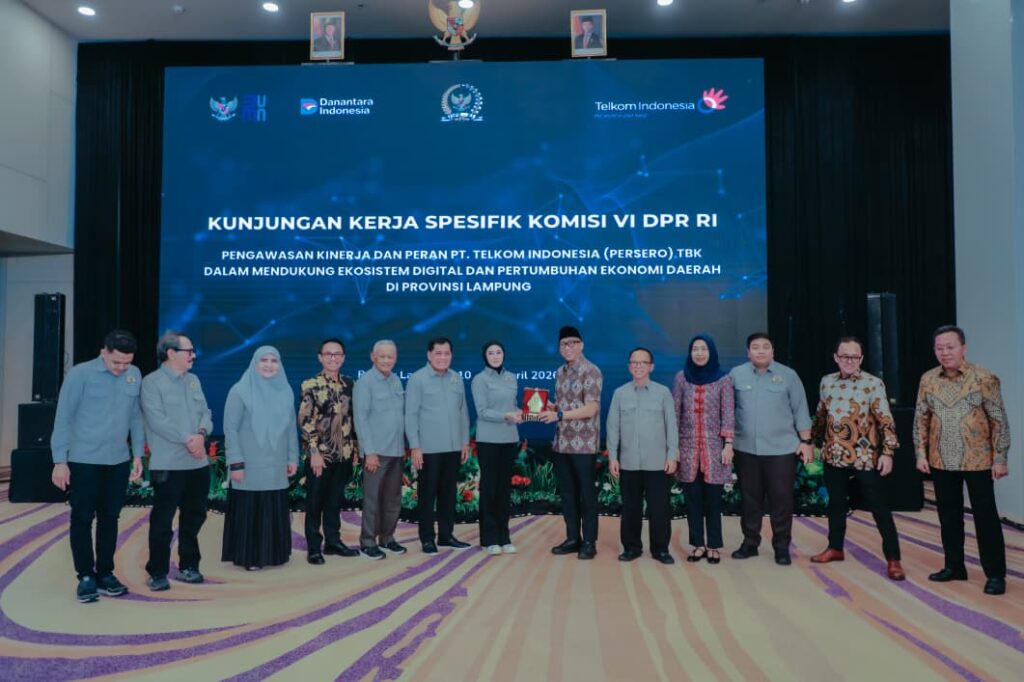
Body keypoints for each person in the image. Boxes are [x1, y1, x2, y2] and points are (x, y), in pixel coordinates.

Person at [914, 325, 1010, 595]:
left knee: (985, 517)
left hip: (978, 460)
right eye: (939, 348)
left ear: (963, 348)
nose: (945, 353)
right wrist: (920, 453)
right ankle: (954, 566)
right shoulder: (928, 379)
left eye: (950, 347)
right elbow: (921, 419)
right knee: (948, 516)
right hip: (940, 459)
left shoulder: (984, 377)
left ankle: (995, 575)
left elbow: (999, 420)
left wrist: (1000, 458)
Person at [50, 329, 145, 603]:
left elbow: (136, 416)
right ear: (104, 352)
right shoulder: (80, 374)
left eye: (127, 362)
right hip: (84, 460)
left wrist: (138, 454)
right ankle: (85, 576)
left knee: (110, 517)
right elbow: (63, 417)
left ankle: (105, 573)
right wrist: (60, 461)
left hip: (117, 460)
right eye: (117, 362)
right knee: (82, 518)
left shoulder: (134, 374)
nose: (122, 368)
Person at [810, 336, 904, 580]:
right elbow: (821, 415)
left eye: (854, 357)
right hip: (834, 453)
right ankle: (835, 547)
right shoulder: (826, 381)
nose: (849, 361)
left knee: (879, 506)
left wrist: (888, 453)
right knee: (836, 504)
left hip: (865, 455)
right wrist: (811, 441)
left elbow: (886, 420)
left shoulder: (873, 384)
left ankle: (893, 559)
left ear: (861, 358)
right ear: (836, 357)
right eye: (844, 356)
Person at [729, 333, 813, 565]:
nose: (761, 350)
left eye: (766, 346)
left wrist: (806, 442)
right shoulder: (736, 374)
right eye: (755, 347)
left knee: (781, 499)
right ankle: (750, 543)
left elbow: (800, 409)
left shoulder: (788, 375)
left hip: (781, 450)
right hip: (746, 449)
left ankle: (781, 546)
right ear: (748, 352)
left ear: (773, 351)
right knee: (750, 499)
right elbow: (727, 409)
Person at [141, 330, 214, 591]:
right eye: (189, 351)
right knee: (163, 520)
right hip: (168, 464)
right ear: (171, 353)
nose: (193, 355)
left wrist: (201, 435)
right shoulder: (152, 383)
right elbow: (157, 421)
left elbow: (206, 412)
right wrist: (188, 440)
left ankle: (189, 565)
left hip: (197, 463)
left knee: (194, 516)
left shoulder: (193, 380)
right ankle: (157, 571)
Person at [221, 346, 299, 570]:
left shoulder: (285, 391)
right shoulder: (240, 391)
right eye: (264, 360)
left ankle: (273, 554)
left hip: (276, 464)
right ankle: (250, 557)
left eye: (274, 361)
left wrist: (293, 458)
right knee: (251, 509)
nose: (269, 365)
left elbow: (290, 429)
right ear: (254, 363)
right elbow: (230, 429)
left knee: (272, 507)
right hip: (249, 465)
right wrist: (236, 463)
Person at [607, 347, 678, 564]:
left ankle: (660, 549)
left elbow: (671, 426)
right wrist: (613, 457)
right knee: (631, 508)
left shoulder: (663, 393)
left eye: (643, 362)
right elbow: (613, 428)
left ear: (651, 366)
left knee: (659, 508)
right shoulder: (620, 393)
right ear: (629, 366)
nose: (638, 366)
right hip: (629, 462)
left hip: (658, 462)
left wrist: (672, 455)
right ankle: (631, 548)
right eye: (634, 362)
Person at [540, 326, 603, 559]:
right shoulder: (560, 372)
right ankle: (573, 538)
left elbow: (591, 408)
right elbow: (565, 406)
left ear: (581, 345)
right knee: (567, 494)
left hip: (583, 444)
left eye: (572, 343)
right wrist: (553, 407)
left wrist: (559, 414)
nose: (568, 347)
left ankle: (589, 542)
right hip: (561, 442)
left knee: (587, 494)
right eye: (563, 344)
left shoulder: (591, 370)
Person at [672, 334, 735, 565]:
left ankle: (714, 545)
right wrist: (673, 447)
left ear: (711, 352)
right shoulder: (681, 378)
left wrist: (728, 445)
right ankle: (698, 544)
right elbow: (675, 413)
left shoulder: (723, 379)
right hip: (687, 448)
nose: (699, 353)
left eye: (704, 349)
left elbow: (728, 412)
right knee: (693, 500)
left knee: (713, 501)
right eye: (695, 349)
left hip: (714, 449)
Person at [406, 337, 472, 554]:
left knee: (448, 494)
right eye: (438, 353)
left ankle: (446, 535)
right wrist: (415, 446)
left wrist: (464, 441)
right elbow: (411, 414)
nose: (443, 357)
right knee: (427, 495)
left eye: (447, 353)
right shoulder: (418, 379)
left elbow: (463, 412)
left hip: (453, 448)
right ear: (429, 355)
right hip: (428, 449)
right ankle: (427, 538)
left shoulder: (456, 378)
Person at [298, 338, 360, 565]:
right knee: (315, 502)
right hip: (320, 456)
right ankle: (314, 547)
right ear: (320, 357)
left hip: (344, 454)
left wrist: (355, 449)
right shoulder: (310, 385)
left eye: (337, 354)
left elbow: (354, 419)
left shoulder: (350, 384)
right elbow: (305, 422)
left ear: (343, 357)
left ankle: (333, 542)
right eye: (328, 354)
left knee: (335, 501)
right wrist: (313, 452)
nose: (333, 358)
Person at [353, 340, 407, 560]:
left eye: (390, 356)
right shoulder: (365, 382)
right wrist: (370, 451)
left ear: (395, 358)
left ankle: (387, 538)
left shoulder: (396, 380)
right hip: (376, 452)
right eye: (382, 356)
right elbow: (361, 419)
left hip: (396, 450)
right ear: (373, 357)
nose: (386, 360)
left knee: (392, 499)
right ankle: (368, 542)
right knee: (373, 499)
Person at [471, 340, 522, 555]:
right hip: (488, 440)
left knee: (504, 490)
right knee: (490, 489)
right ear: (485, 356)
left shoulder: (511, 378)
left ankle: (504, 537)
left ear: (504, 355)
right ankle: (489, 538)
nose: (495, 356)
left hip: (509, 438)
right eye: (491, 353)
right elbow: (482, 411)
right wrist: (506, 416)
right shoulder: (479, 380)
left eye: (498, 352)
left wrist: (524, 412)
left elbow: (513, 406)